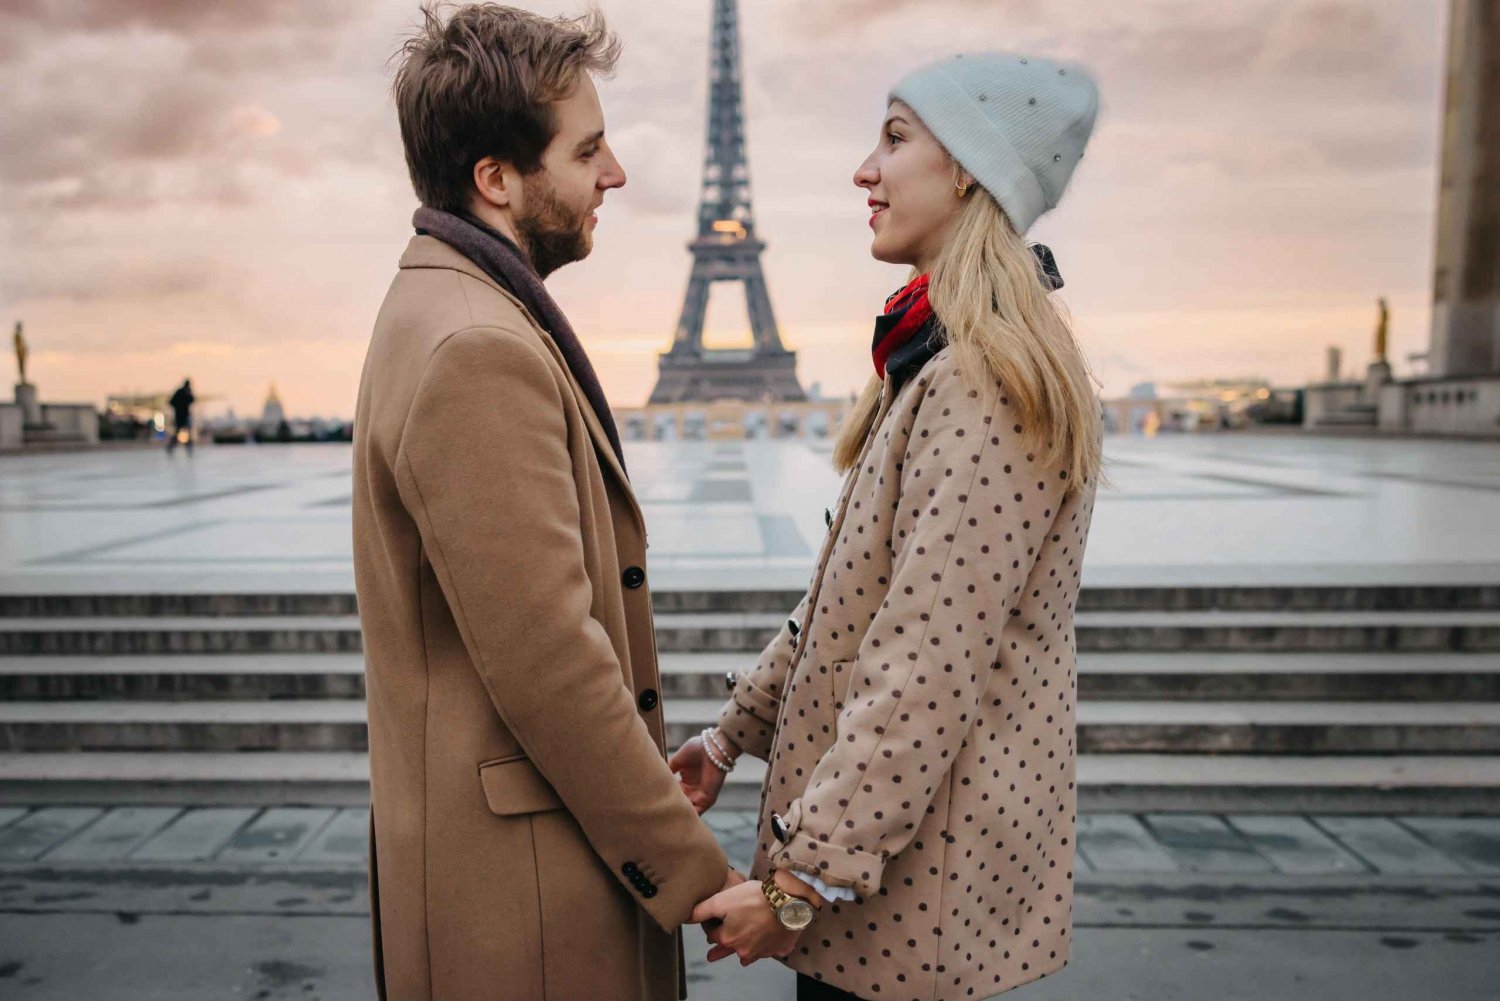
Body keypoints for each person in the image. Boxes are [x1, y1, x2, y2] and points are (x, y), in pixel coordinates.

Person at [671, 52, 1104, 1001]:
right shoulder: (936, 361)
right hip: (890, 889)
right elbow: (847, 605)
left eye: (895, 138)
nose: (864, 170)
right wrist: (728, 735)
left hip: (908, 905)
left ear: (968, 171)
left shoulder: (984, 383)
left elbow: (923, 666)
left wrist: (795, 886)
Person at [351, 6, 737, 1000]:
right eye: (589, 149)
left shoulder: (440, 305)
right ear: (497, 178)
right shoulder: (478, 346)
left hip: (500, 862)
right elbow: (551, 661)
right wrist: (694, 870)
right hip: (530, 899)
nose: (613, 176)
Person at [166, 379, 194, 454]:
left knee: (186, 432)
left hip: (184, 416)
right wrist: (179, 408)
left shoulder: (186, 392)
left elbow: (192, 400)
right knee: (180, 432)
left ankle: (188, 448)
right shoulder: (181, 392)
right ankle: (171, 447)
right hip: (180, 416)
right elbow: (171, 402)